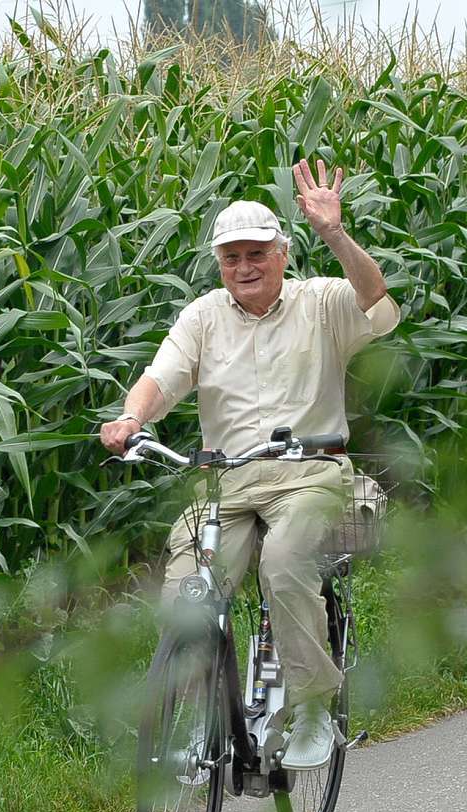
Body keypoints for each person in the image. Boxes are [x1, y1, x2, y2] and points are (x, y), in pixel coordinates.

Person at [100, 158, 400, 770]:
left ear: (282, 253)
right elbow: (161, 376)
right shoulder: (204, 316)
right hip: (229, 482)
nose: (244, 267)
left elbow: (377, 303)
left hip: (310, 475)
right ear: (219, 264)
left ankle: (315, 707)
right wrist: (133, 419)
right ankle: (200, 715)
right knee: (188, 590)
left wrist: (335, 235)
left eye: (257, 253)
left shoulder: (320, 303)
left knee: (287, 562)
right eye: (231, 257)